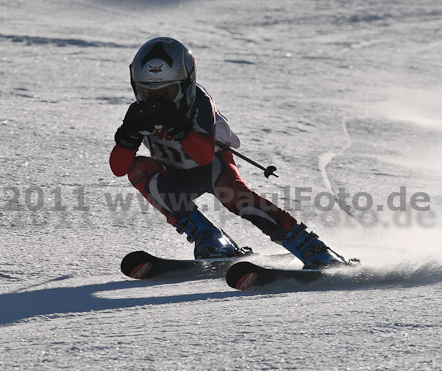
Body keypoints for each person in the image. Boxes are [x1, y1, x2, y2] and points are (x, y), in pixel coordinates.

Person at [110, 37, 347, 268]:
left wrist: (180, 128)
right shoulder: (139, 112)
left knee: (235, 196)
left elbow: (202, 156)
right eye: (148, 94)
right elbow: (120, 169)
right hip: (174, 175)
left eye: (167, 94)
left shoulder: (199, 102)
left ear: (186, 85)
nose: (157, 103)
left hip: (212, 167)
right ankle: (209, 237)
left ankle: (311, 247)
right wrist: (127, 137)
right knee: (138, 168)